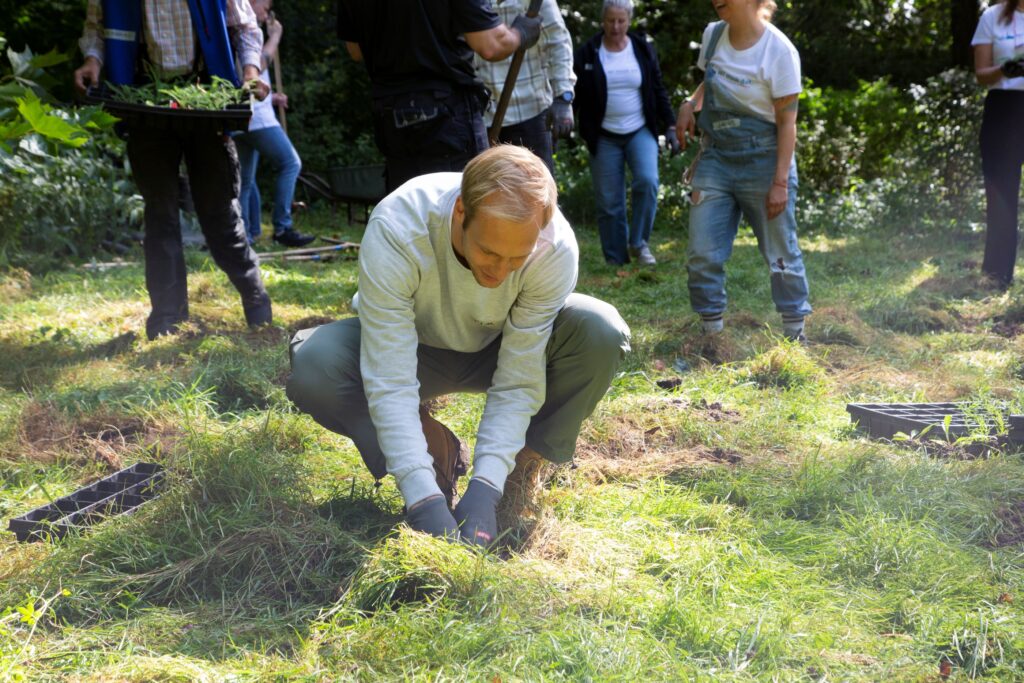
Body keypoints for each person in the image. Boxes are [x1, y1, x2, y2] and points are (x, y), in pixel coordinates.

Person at [285, 145, 630, 545]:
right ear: (462, 211)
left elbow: (519, 380)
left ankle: (520, 469)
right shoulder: (399, 226)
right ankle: (432, 452)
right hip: (413, 348)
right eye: (488, 251)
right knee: (315, 367)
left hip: (496, 347)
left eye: (515, 259)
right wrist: (422, 499)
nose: (499, 273)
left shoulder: (554, 249)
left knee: (599, 329)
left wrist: (486, 486)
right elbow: (390, 377)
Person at [74, 0, 274, 340]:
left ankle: (259, 310)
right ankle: (168, 320)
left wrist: (250, 72)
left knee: (220, 212)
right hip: (145, 100)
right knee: (161, 214)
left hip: (205, 99)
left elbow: (245, 29)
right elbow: (97, 28)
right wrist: (93, 61)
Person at [676, 0, 811, 341]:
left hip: (765, 160)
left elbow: (787, 124)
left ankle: (794, 337)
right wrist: (690, 104)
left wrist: (780, 182)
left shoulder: (779, 52)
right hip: (716, 156)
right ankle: (712, 339)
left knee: (781, 254)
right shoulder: (713, 35)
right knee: (702, 253)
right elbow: (710, 83)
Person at [337, 0, 543, 192]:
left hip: (390, 114)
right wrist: (520, 33)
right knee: (458, 210)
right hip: (445, 116)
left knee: (407, 211)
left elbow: (355, 50)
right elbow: (491, 44)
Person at [573, 0, 679, 267]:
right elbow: (575, 93)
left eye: (621, 21)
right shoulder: (588, 52)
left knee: (648, 181)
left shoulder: (642, 49)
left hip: (639, 129)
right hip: (604, 134)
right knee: (609, 201)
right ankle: (615, 258)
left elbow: (658, 89)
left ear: (629, 21)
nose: (615, 26)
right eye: (610, 20)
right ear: (603, 21)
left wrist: (671, 124)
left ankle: (639, 243)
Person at [233, 0, 315, 248]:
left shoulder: (244, 30)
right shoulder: (242, 30)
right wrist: (276, 36)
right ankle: (282, 227)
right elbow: (257, 64)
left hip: (242, 116)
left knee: (245, 181)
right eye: (265, 7)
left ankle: (243, 237)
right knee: (290, 163)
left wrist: (273, 96)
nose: (267, 13)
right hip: (255, 118)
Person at [473, 0, 576, 173]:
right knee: (487, 194)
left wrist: (563, 97)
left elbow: (557, 40)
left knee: (537, 193)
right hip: (482, 115)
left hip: (531, 114)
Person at [972, 0, 1024, 288]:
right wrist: (1007, 69)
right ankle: (997, 274)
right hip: (1003, 110)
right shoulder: (992, 16)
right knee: (1002, 192)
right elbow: (981, 73)